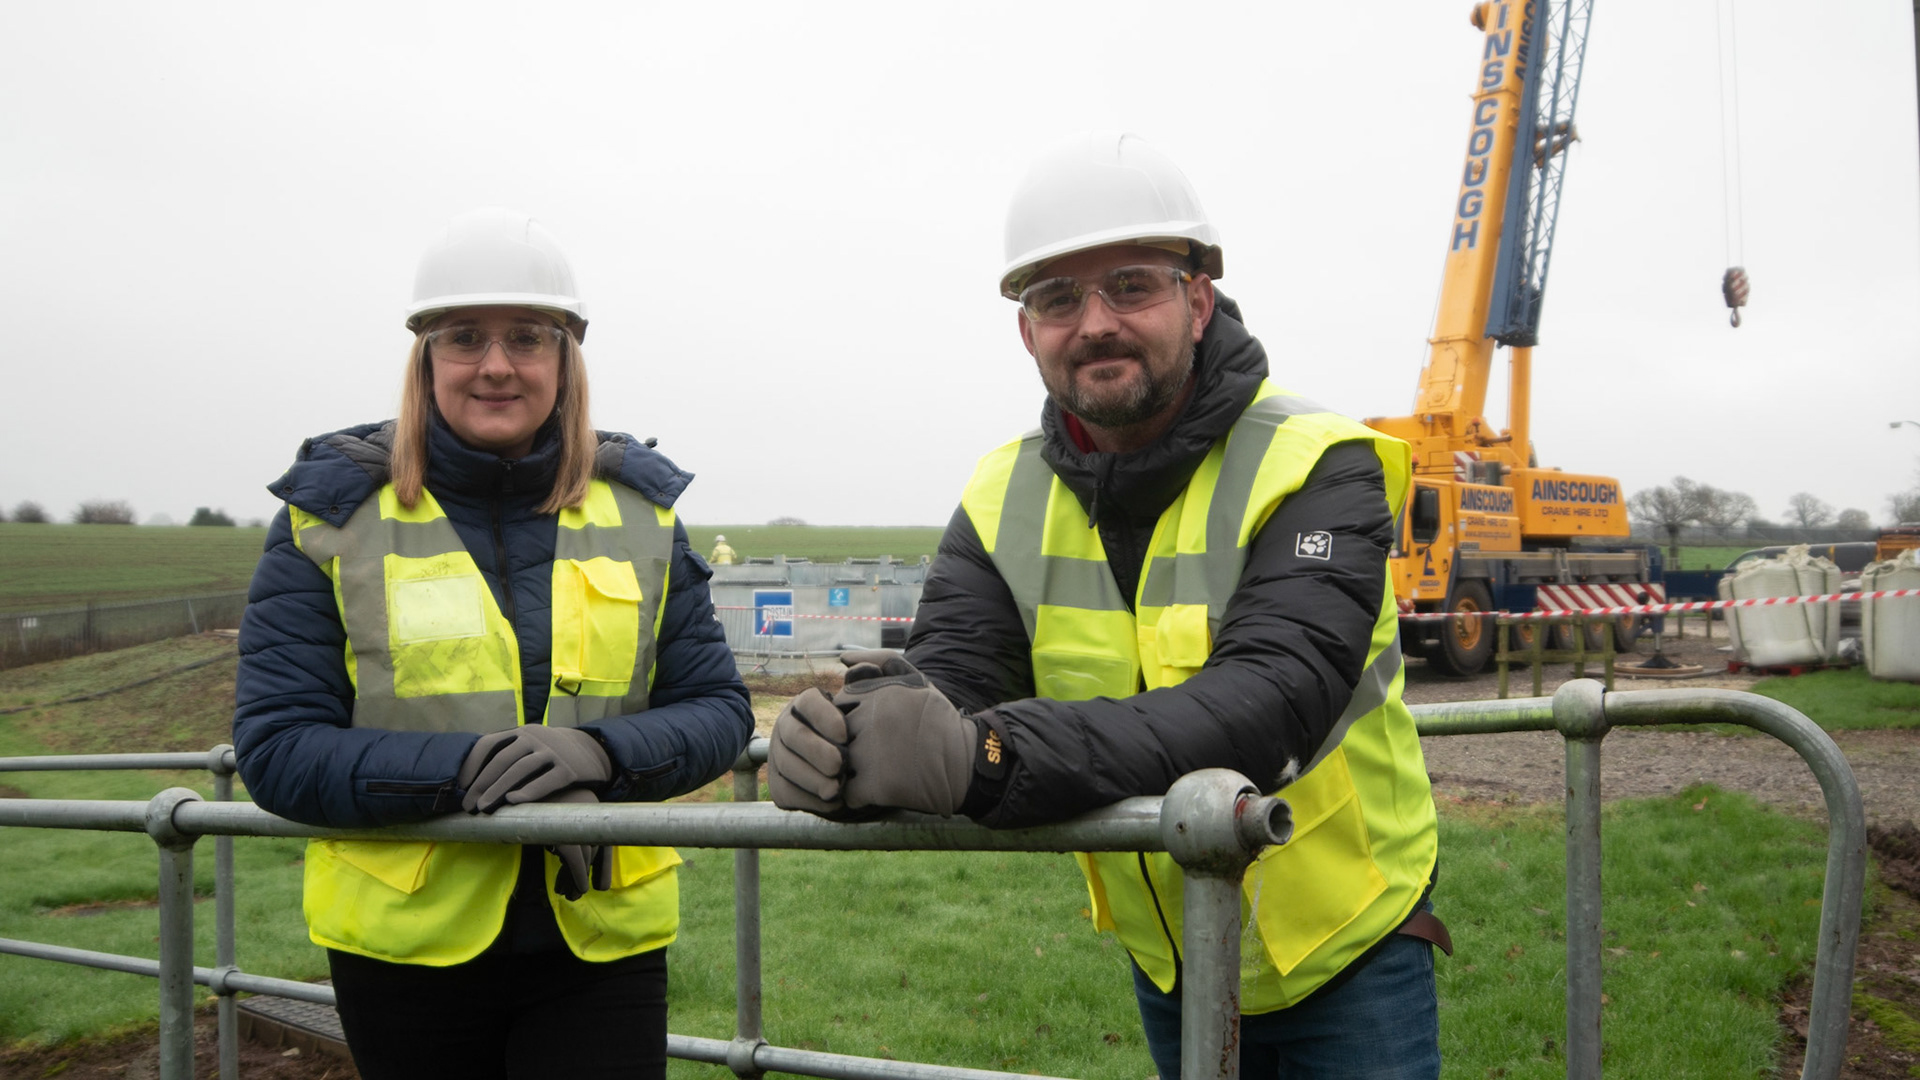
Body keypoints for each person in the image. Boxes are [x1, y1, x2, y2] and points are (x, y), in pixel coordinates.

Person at [766, 134, 1444, 1078]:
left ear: (1197, 300)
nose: (1095, 323)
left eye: (1131, 285)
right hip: (1168, 951)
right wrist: (853, 733)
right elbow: (953, 679)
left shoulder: (1319, 462)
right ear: (1026, 330)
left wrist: (989, 757)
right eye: (1057, 298)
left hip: (1350, 942)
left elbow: (1271, 698)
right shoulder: (1003, 491)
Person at [232, 207, 753, 1080]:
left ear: (566, 358)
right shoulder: (328, 520)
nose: (498, 365)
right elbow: (279, 749)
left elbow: (718, 710)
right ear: (425, 358)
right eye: (465, 337)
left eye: (528, 338)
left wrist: (597, 755)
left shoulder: (642, 513)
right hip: (404, 956)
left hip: (601, 947)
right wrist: (477, 772)